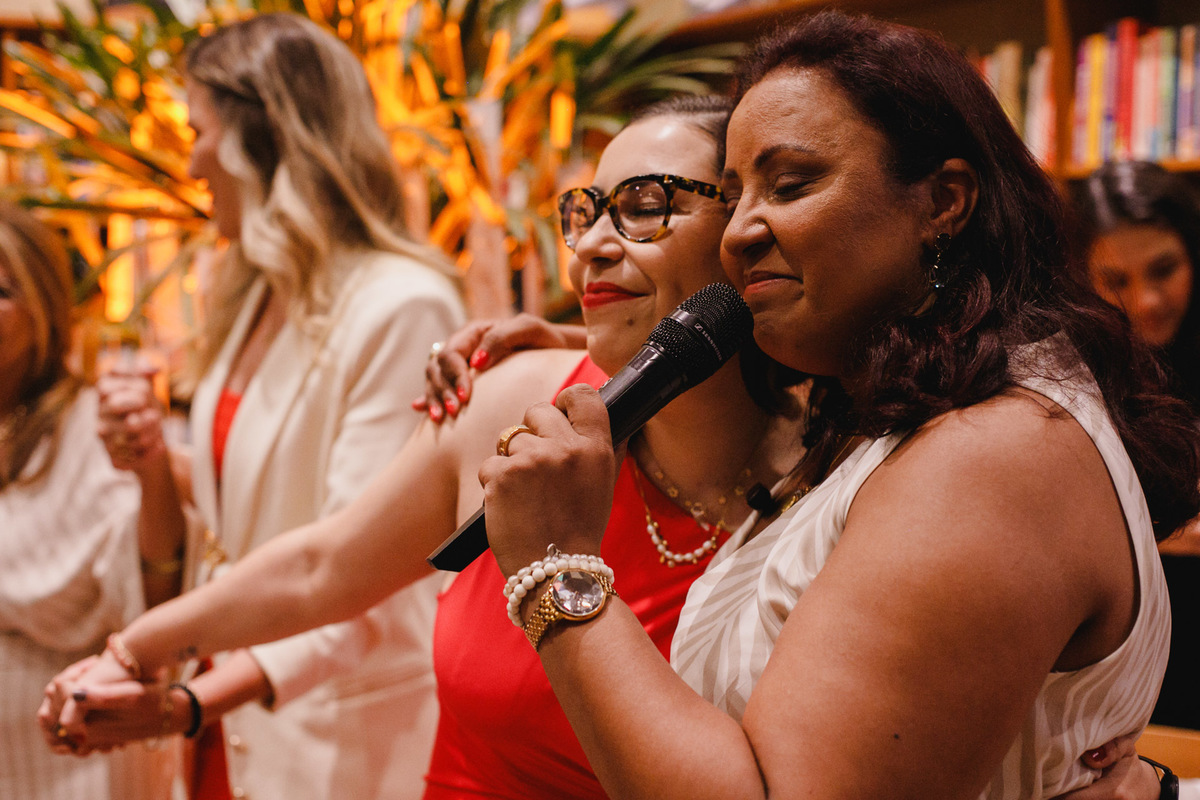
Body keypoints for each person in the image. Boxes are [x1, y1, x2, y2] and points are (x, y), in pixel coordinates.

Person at [45, 90, 1155, 800]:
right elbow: (324, 563)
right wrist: (137, 649)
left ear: (748, 235)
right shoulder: (520, 398)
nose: (594, 243)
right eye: (585, 210)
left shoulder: (840, 464)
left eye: (650, 203)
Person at [467, 11, 1199, 800]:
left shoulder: (992, 453)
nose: (740, 232)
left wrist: (556, 568)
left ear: (943, 201)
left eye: (789, 185)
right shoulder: (884, 408)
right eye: (734, 196)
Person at [54, 13, 466, 800]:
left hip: (331, 739)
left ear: (262, 138)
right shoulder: (254, 294)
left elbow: (364, 572)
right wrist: (156, 460)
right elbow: (254, 512)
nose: (190, 160)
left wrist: (184, 702)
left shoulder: (400, 305)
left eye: (198, 132)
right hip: (229, 726)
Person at [0, 201, 178, 799]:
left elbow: (145, 595)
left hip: (69, 759)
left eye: (1, 291)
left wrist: (152, 468)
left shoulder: (87, 427)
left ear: (45, 311)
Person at [1075, 161, 1200, 749]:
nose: (1146, 301)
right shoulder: (1074, 364)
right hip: (1120, 637)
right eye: (1115, 280)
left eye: (1164, 270)